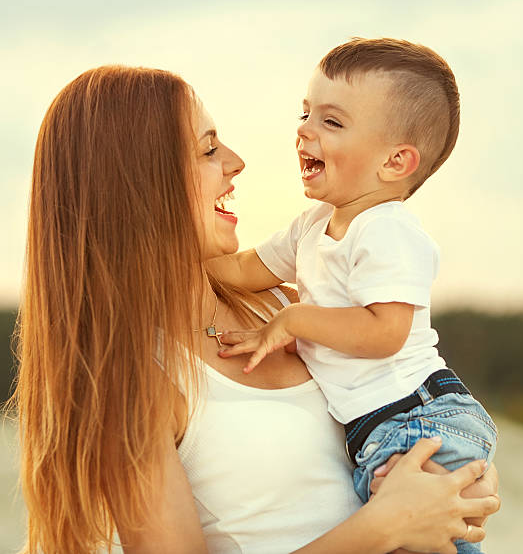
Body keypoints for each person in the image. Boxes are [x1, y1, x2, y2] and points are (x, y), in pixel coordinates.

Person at [8, 65, 499, 554]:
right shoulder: (135, 380)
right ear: (135, 182)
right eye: (207, 150)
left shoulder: (290, 304)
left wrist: (460, 476)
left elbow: (410, 410)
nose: (236, 162)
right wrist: (382, 528)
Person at [212, 38, 497, 553]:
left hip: (419, 418)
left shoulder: (387, 231)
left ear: (395, 162)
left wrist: (294, 320)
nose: (303, 130)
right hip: (379, 429)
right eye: (305, 113)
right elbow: (241, 270)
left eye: (331, 122)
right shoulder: (313, 226)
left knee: (428, 538)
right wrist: (164, 243)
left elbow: (386, 333)